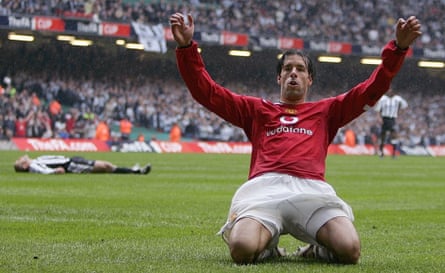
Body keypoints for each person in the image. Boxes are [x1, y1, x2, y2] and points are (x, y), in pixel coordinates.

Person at [170, 12, 421, 265]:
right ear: (279, 78)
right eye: (288, 69)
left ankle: (316, 249)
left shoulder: (327, 111)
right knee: (242, 249)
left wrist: (398, 49)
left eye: (300, 69)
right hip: (263, 190)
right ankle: (266, 247)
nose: (293, 73)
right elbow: (207, 92)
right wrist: (186, 48)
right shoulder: (256, 110)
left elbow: (372, 89)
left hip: (311, 190)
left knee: (350, 249)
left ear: (309, 79)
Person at [14, 154, 151, 175]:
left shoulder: (34, 160)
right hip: (70, 165)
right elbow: (42, 170)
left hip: (71, 160)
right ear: (25, 166)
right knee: (104, 167)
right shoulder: (33, 165)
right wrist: (54, 172)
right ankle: (135, 172)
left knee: (106, 165)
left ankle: (133, 170)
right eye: (21, 160)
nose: (22, 157)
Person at [374, 89, 408, 158]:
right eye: (388, 91)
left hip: (392, 119)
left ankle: (391, 153)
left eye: (391, 91)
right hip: (385, 118)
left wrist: (399, 113)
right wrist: (379, 118)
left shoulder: (397, 99)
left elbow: (405, 105)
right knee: (386, 135)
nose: (390, 92)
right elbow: (377, 109)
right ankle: (383, 152)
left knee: (392, 135)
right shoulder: (383, 98)